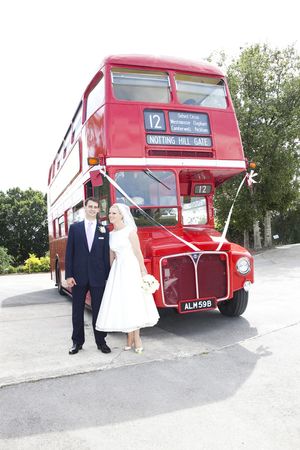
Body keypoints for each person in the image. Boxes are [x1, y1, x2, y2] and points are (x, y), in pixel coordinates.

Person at [95, 203, 159, 353]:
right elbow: (111, 255)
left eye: (114, 213)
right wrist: (111, 273)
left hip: (131, 269)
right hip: (118, 271)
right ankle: (129, 337)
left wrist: (143, 271)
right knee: (123, 303)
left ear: (122, 215)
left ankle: (136, 338)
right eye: (110, 213)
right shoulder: (110, 234)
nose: (111, 215)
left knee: (133, 302)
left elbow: (138, 253)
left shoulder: (130, 231)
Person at [65, 197, 111, 355]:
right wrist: (69, 275)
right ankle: (77, 343)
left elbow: (105, 256)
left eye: (95, 207)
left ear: (99, 210)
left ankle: (101, 342)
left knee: (99, 311)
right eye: (90, 206)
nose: (92, 209)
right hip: (78, 277)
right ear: (85, 208)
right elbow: (69, 254)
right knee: (77, 311)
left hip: (98, 277)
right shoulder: (75, 228)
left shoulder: (104, 230)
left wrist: (107, 276)